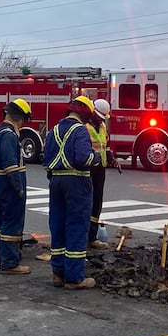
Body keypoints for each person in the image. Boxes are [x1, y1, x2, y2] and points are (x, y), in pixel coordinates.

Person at [43, 96, 101, 289]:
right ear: (85, 112)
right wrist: (97, 157)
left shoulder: (54, 130)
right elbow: (83, 158)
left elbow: (46, 160)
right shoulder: (80, 131)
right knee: (77, 225)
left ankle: (58, 273)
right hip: (77, 181)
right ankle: (75, 277)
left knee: (58, 224)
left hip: (56, 181)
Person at [0, 98, 32, 275]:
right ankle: (10, 263)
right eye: (23, 119)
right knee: (12, 222)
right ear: (17, 116)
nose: (22, 124)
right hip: (8, 184)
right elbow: (10, 164)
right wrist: (18, 186)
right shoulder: (8, 134)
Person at [86, 99, 120, 250]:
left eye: (102, 117)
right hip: (88, 168)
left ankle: (92, 237)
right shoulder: (85, 127)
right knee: (86, 203)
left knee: (96, 203)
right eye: (99, 116)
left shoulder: (102, 126)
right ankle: (84, 236)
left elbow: (104, 146)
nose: (101, 119)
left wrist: (112, 159)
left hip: (100, 169)